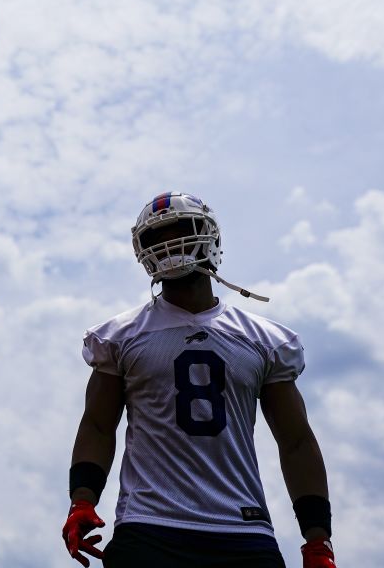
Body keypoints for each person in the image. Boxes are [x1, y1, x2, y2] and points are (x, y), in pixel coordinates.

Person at [61, 192, 336, 568]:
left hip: (242, 527)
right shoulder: (120, 336)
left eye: (179, 231)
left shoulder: (264, 339)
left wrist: (318, 539)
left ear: (209, 236)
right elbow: (97, 424)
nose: (170, 245)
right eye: (156, 239)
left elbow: (296, 442)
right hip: (150, 524)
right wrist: (83, 499)